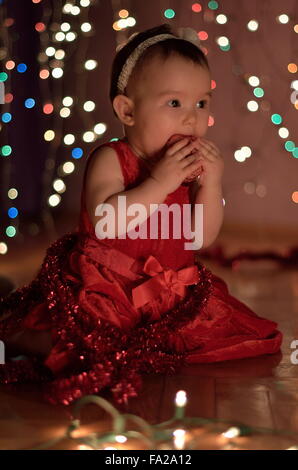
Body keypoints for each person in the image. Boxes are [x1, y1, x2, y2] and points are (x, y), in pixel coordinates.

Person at [0, 24, 282, 407]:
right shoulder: (111, 159)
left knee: (239, 340)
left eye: (202, 103)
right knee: (74, 342)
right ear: (127, 110)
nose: (191, 119)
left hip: (170, 294)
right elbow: (107, 222)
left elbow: (200, 238)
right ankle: (18, 334)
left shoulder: (188, 169)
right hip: (107, 290)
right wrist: (160, 182)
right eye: (175, 103)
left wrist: (212, 185)